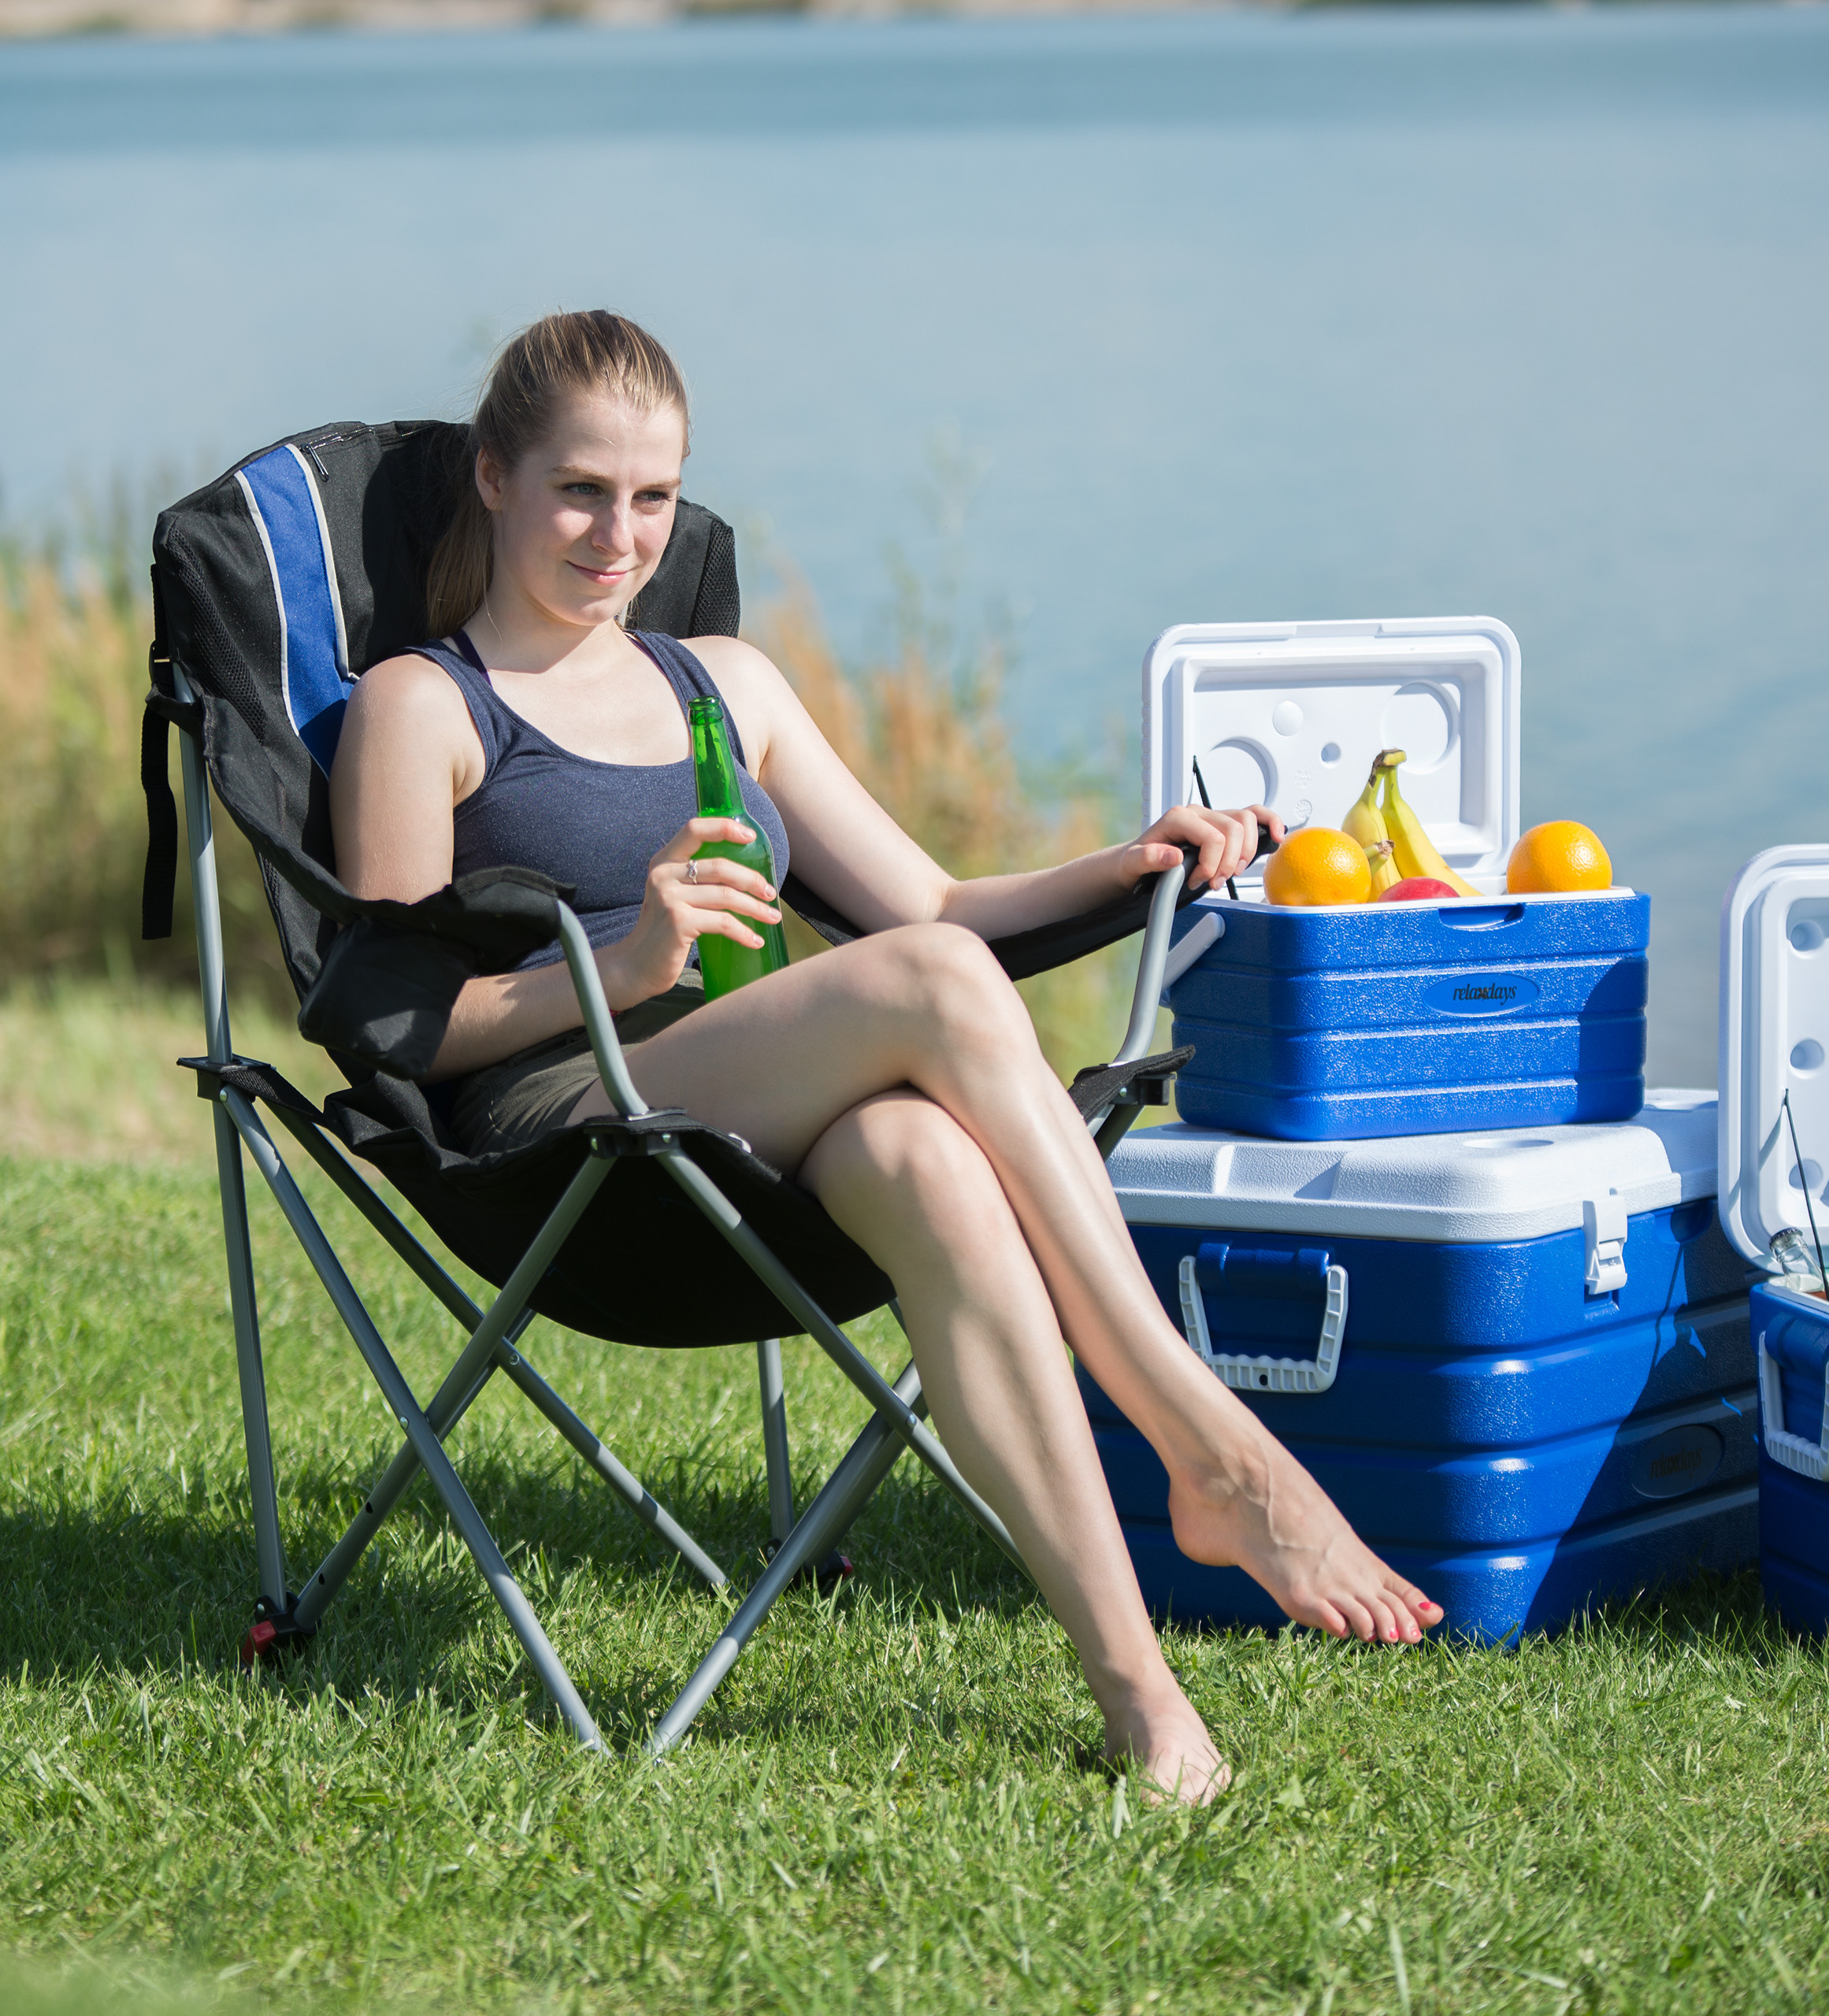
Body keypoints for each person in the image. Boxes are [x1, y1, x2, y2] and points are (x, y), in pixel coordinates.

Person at [330, 309, 1443, 1802]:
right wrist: (627, 966)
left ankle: (1142, 1695)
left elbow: (934, 908)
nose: (620, 537)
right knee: (924, 986)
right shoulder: (423, 705)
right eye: (580, 491)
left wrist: (1128, 863)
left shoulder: (724, 682)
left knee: (925, 1157)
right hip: (565, 1130)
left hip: (754, 1100)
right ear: (493, 477)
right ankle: (1208, 1439)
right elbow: (399, 1030)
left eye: (654, 498)